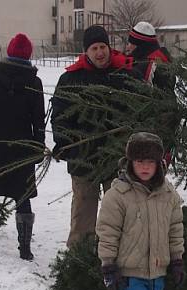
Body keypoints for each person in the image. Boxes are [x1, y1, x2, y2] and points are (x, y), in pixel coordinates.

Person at [95, 132, 184, 290]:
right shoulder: (118, 195)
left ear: (159, 164)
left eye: (150, 162)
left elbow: (175, 228)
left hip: (157, 270)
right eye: (139, 161)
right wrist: (109, 267)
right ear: (130, 162)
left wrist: (177, 260)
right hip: (130, 272)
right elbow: (108, 232)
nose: (145, 167)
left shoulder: (168, 194)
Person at [51, 24, 139, 248]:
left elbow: (140, 111)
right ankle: (79, 260)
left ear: (109, 47)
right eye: (94, 48)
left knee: (119, 214)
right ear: (86, 52)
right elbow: (60, 117)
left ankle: (118, 258)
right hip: (84, 159)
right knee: (83, 214)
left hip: (116, 158)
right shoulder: (71, 80)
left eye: (103, 46)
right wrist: (65, 144)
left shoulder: (124, 75)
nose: (100, 52)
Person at [0, 33, 44, 260]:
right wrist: (38, 147)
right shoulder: (34, 82)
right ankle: (24, 249)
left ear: (9, 52)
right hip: (22, 149)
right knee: (23, 198)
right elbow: (38, 120)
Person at [126, 21, 173, 91]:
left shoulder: (149, 65)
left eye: (130, 43)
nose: (127, 47)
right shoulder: (161, 57)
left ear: (140, 46)